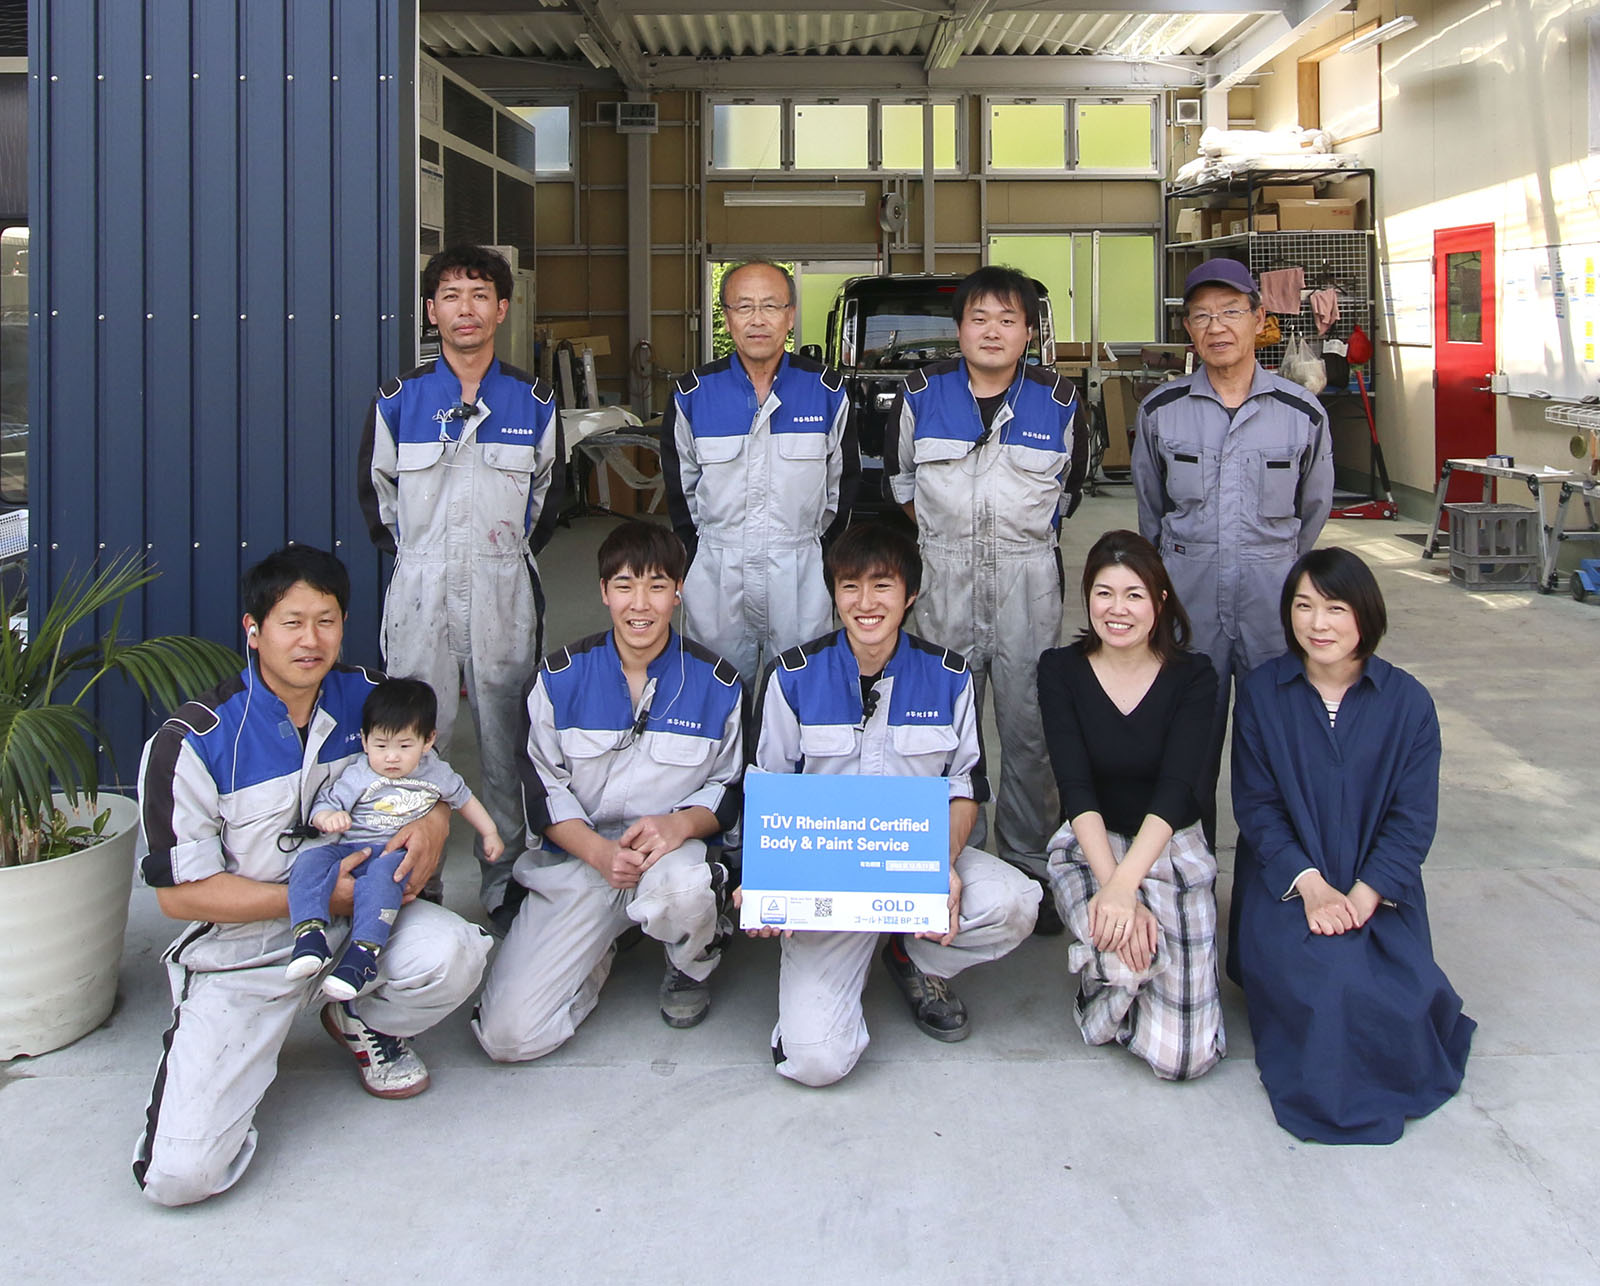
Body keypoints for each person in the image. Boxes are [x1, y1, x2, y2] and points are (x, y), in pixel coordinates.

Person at [132, 547, 491, 1207]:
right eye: (291, 622)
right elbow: (181, 895)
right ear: (253, 629)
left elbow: (431, 780)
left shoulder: (369, 698)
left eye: (326, 621)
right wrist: (319, 893)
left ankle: (358, 1017)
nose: (311, 639)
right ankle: (229, 1051)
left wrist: (436, 825)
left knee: (456, 953)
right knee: (180, 1179)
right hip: (245, 953)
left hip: (364, 928)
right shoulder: (194, 741)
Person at [745, 523, 1041, 1087]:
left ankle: (912, 957)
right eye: (850, 586)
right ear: (834, 594)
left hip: (914, 868)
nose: (865, 603)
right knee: (816, 1062)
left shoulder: (949, 678)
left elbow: (963, 790)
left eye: (882, 586)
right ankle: (823, 989)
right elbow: (770, 790)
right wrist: (765, 884)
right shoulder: (793, 678)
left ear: (910, 595)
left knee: (1014, 903)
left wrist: (942, 863)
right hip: (828, 885)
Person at [1229, 547, 1475, 1144]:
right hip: (1288, 886)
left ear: (1365, 614)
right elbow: (1257, 810)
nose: (1317, 624)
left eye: (1335, 608)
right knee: (1332, 985)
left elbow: (1413, 820)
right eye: (1304, 606)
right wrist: (1312, 888)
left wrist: (1364, 897)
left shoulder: (1409, 703)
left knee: (1404, 995)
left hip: (1378, 889)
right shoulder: (1263, 694)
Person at [473, 521, 743, 1060]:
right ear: (602, 592)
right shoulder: (556, 680)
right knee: (507, 1037)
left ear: (678, 591)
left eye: (657, 585)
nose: (640, 604)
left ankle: (690, 963)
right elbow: (542, 790)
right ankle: (600, 947)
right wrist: (598, 853)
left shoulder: (718, 684)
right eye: (624, 585)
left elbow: (730, 787)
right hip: (582, 861)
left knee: (687, 889)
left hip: (669, 860)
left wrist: (680, 825)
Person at [358, 243, 562, 923]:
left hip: (504, 590)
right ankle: (416, 879)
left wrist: (494, 556)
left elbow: (545, 495)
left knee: (507, 738)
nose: (465, 308)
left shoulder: (531, 401)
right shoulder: (400, 401)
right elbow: (377, 496)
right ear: (431, 310)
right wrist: (424, 558)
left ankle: (504, 877)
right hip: (421, 589)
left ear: (502, 309)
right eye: (450, 295)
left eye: (479, 295)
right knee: (413, 740)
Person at [885, 265, 1086, 914]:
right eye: (980, 318)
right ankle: (933, 861)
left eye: (1008, 319)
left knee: (1030, 730)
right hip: (942, 582)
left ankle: (1029, 863)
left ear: (1028, 332)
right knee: (935, 727)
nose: (993, 331)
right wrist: (954, 544)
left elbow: (1069, 491)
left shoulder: (1058, 400)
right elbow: (903, 487)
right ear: (959, 329)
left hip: (1028, 585)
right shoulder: (920, 394)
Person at [1132, 258, 1333, 848]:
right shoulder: (1160, 411)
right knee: (1185, 755)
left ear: (1259, 318)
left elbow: (1312, 513)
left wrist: (1274, 568)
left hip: (1272, 614)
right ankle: (1190, 887)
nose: (1216, 327)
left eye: (1230, 312)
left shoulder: (1302, 413)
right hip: (1189, 614)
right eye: (1201, 316)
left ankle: (1271, 897)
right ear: (1188, 330)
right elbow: (1151, 513)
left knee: (1276, 752)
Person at [1037, 530, 1225, 1081]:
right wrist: (1113, 887)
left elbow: (1177, 790)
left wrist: (1129, 887)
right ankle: (1106, 981)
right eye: (1103, 593)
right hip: (1091, 844)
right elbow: (1075, 788)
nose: (1117, 610)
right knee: (1126, 950)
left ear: (1160, 601)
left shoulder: (1195, 676)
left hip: (1168, 845)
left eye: (1134, 594)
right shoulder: (1060, 671)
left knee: (1184, 1059)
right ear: (1087, 598)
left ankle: (1132, 985)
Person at [660, 259, 859, 685]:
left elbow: (842, 490)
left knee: (800, 695)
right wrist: (699, 557)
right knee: (716, 696)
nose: (757, 319)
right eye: (743, 306)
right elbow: (682, 493)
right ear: (727, 317)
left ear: (790, 316)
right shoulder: (694, 394)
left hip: (800, 571)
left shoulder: (826, 391)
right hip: (718, 572)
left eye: (770, 306)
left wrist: (819, 558)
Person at [286, 677, 504, 999]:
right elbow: (326, 806)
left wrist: (490, 832)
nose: (391, 757)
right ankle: (308, 935)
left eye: (404, 746)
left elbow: (465, 799)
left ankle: (362, 955)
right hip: (351, 848)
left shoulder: (436, 773)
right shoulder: (360, 773)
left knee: (383, 876)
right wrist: (329, 818)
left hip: (393, 854)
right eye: (381, 745)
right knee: (310, 861)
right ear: (364, 740)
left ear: (428, 741)